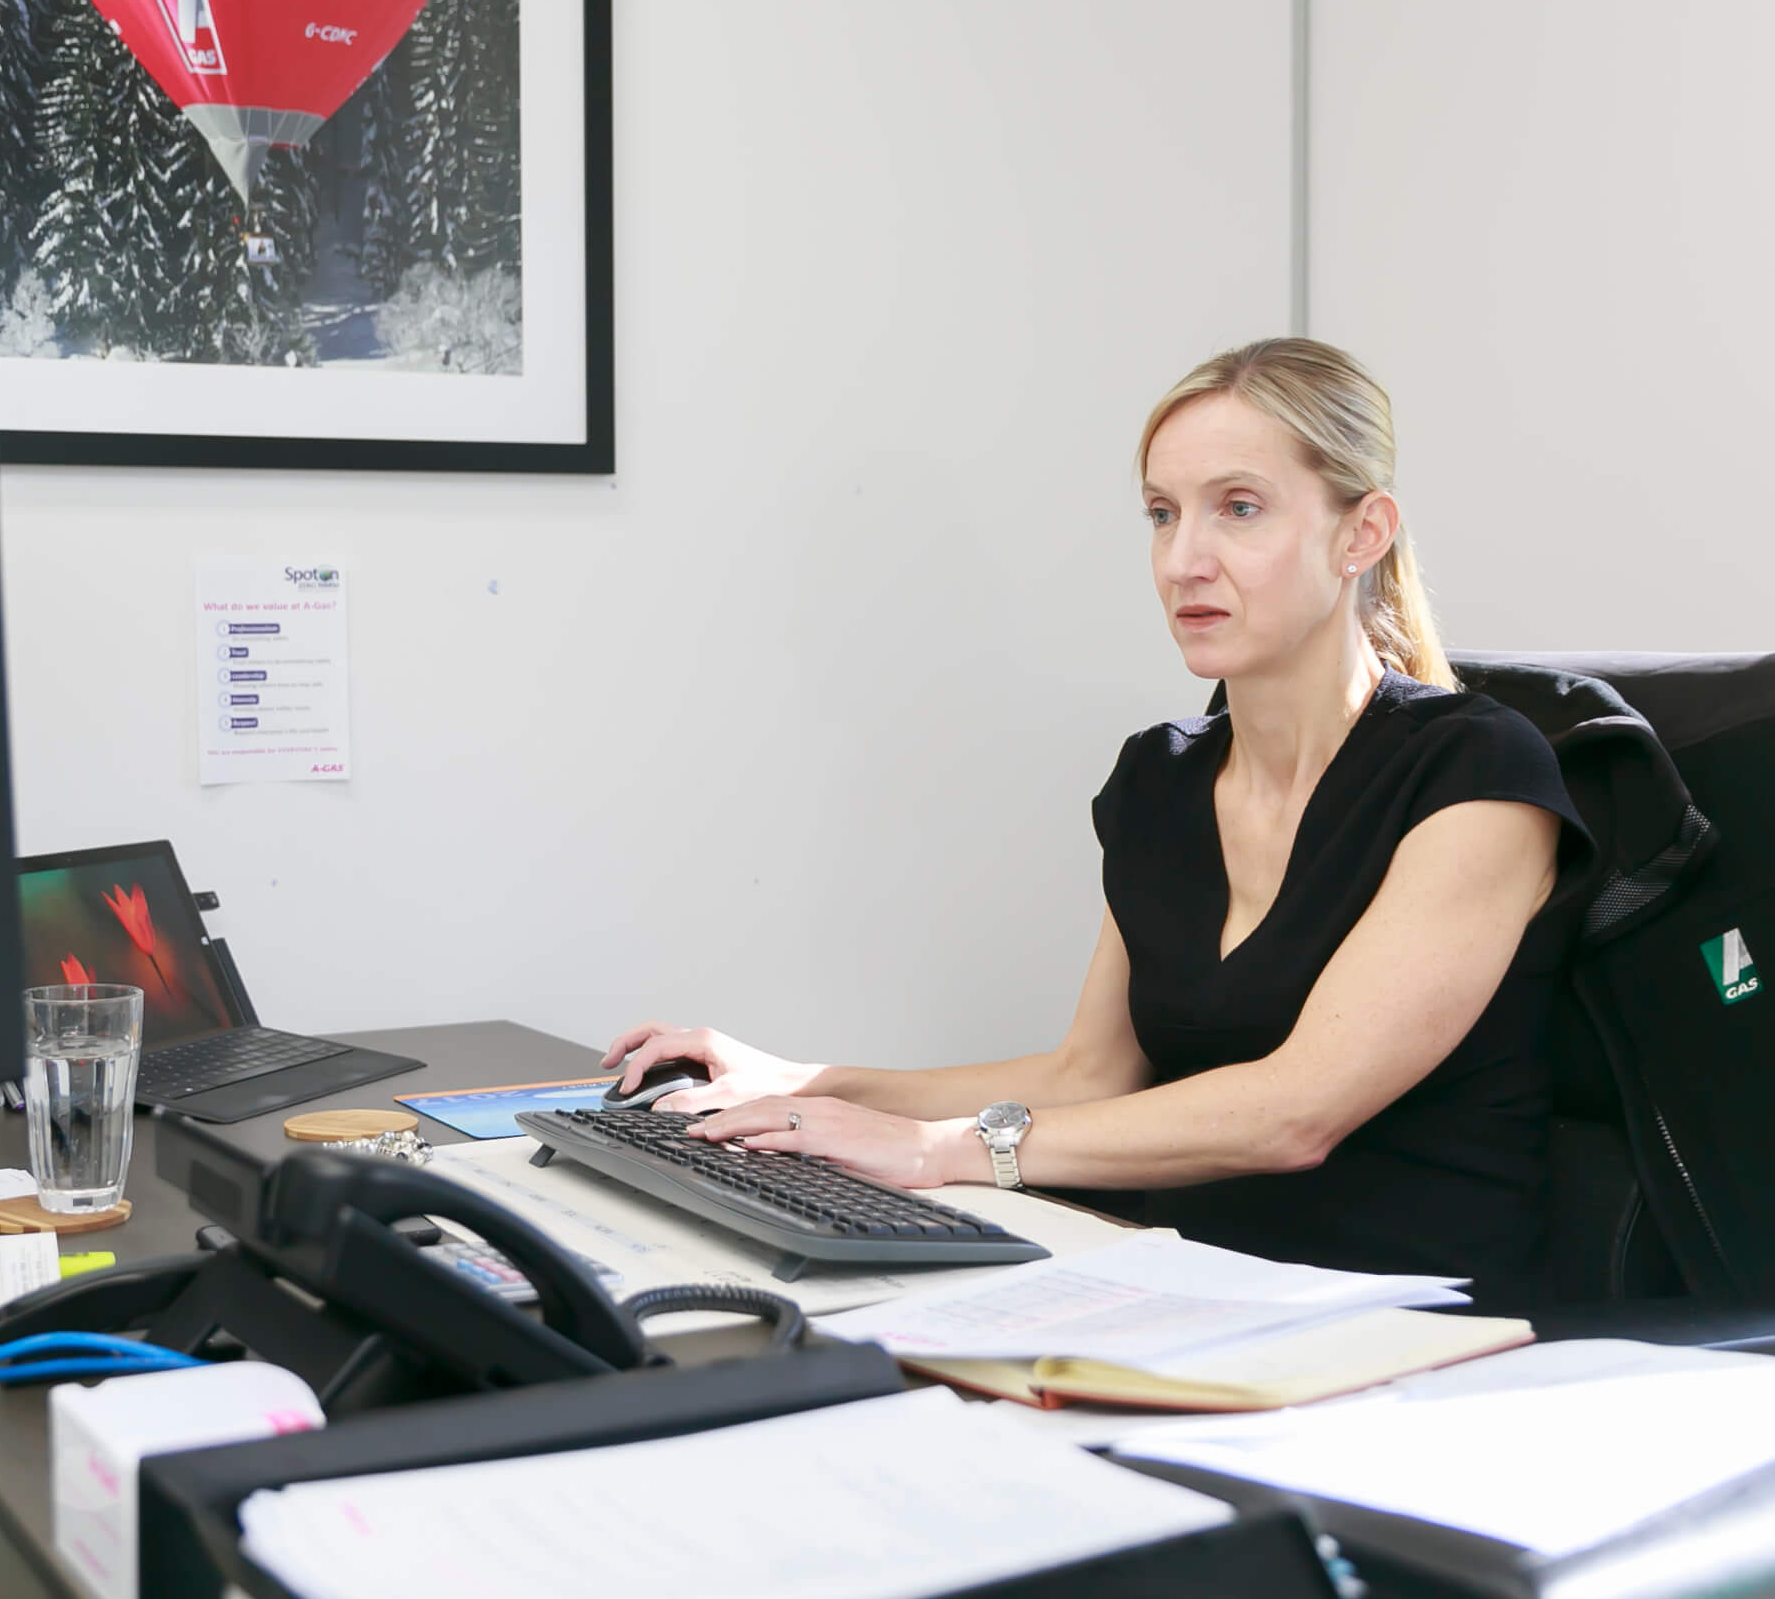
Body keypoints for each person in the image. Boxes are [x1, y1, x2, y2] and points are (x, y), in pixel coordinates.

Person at [607, 340, 1586, 1302]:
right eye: (1163, 514)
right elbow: (1091, 1072)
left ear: (1360, 533)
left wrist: (938, 1151)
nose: (1183, 559)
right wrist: (809, 1085)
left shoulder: (1478, 772)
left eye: (1237, 508)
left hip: (1410, 1333)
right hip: (1174, 1286)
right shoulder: (1157, 779)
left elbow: (1296, 1111)